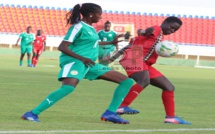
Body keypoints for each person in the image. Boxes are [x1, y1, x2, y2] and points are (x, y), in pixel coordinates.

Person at [21, 3, 134, 124]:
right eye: (99, 14)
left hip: (88, 63)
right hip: (75, 61)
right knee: (68, 88)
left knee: (127, 81)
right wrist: (81, 58)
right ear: (91, 14)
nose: (101, 17)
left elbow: (91, 43)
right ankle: (32, 113)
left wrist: (111, 42)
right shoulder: (78, 27)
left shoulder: (91, 29)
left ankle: (110, 113)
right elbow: (62, 46)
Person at [112, 16, 191, 124]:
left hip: (143, 62)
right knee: (144, 81)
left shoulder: (160, 37)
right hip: (134, 57)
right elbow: (145, 31)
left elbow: (141, 34)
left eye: (175, 30)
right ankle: (122, 106)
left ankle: (170, 117)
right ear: (165, 22)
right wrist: (145, 31)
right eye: (171, 27)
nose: (172, 31)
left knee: (169, 87)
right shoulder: (157, 29)